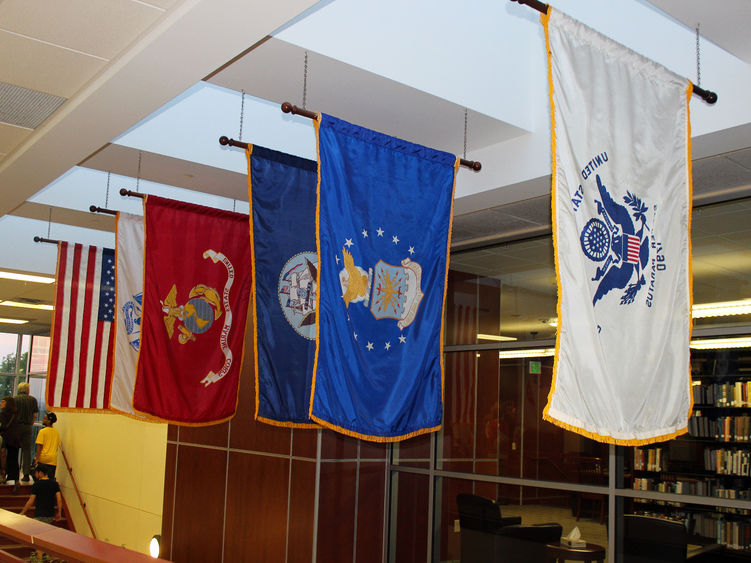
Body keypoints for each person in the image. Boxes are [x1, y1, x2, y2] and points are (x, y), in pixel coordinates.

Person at [14, 382, 38, 483]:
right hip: (28, 427)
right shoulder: (33, 400)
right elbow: (34, 415)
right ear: (27, 389)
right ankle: (26, 474)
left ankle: (12, 473)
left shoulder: (15, 399)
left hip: (16, 427)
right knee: (26, 451)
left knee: (14, 450)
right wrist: (30, 424)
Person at [0, 396, 22, 492]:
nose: (1, 403)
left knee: (2, 458)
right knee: (13, 459)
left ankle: (3, 475)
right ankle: (16, 480)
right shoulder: (16, 415)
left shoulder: (3, 414)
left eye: (3, 401)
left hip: (6, 438)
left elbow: (2, 427)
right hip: (15, 440)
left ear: (7, 403)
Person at [34, 412, 60, 479]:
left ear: (49, 421)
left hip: (43, 459)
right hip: (53, 460)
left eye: (45, 419)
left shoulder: (42, 431)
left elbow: (39, 446)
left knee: (39, 478)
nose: (43, 420)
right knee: (50, 479)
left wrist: (36, 459)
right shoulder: (56, 432)